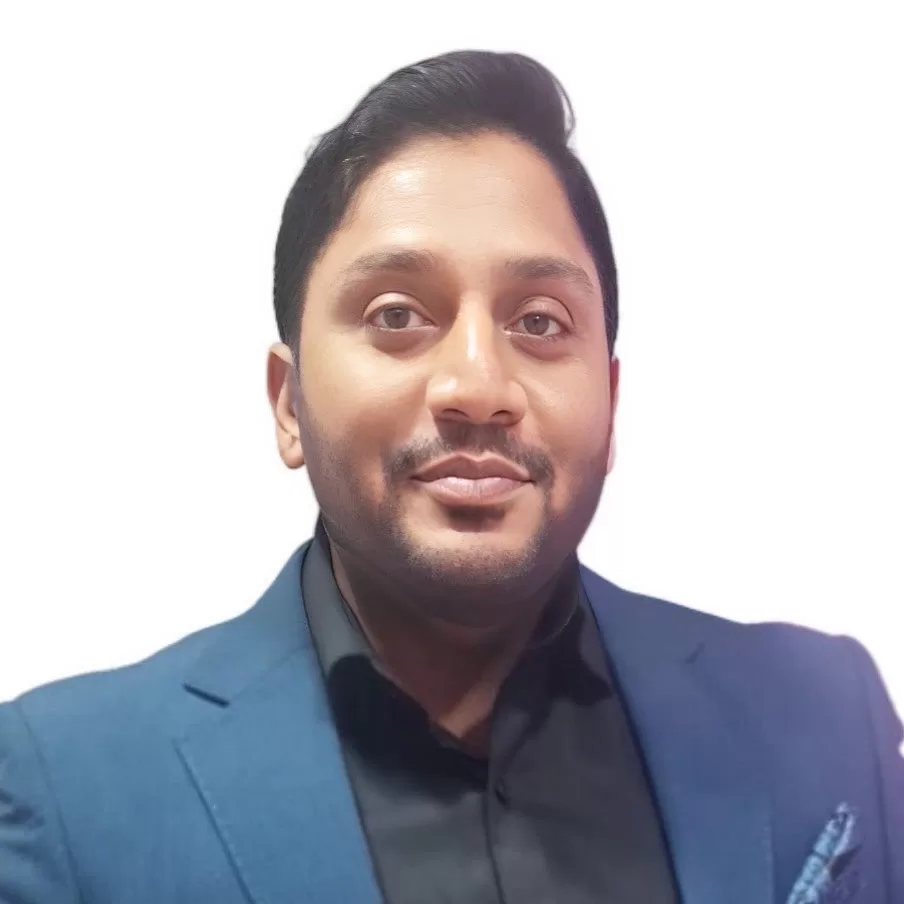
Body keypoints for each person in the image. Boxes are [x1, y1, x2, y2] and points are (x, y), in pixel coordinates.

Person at [1, 50, 900, 904]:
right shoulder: (65, 788)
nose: (478, 385)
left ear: (611, 400)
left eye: (540, 322)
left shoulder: (822, 711)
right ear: (288, 403)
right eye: (397, 315)